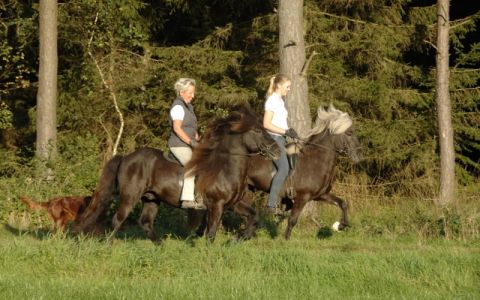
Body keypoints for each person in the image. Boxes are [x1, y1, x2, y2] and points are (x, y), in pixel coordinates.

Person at [262, 74, 299, 214]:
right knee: (283, 168)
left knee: (295, 161)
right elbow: (266, 124)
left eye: (289, 87)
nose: (289, 89)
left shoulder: (279, 100)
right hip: (273, 138)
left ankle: (287, 199)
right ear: (278, 86)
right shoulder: (272, 101)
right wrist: (285, 131)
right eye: (287, 87)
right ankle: (271, 205)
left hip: (281, 138)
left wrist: (289, 132)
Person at [168, 78, 206, 210]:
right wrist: (191, 141)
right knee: (193, 166)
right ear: (182, 92)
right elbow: (177, 128)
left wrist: (197, 139)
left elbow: (191, 128)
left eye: (193, 92)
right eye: (190, 92)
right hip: (178, 145)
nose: (193, 95)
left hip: (189, 144)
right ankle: (187, 199)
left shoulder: (189, 107)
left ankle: (201, 198)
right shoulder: (178, 107)